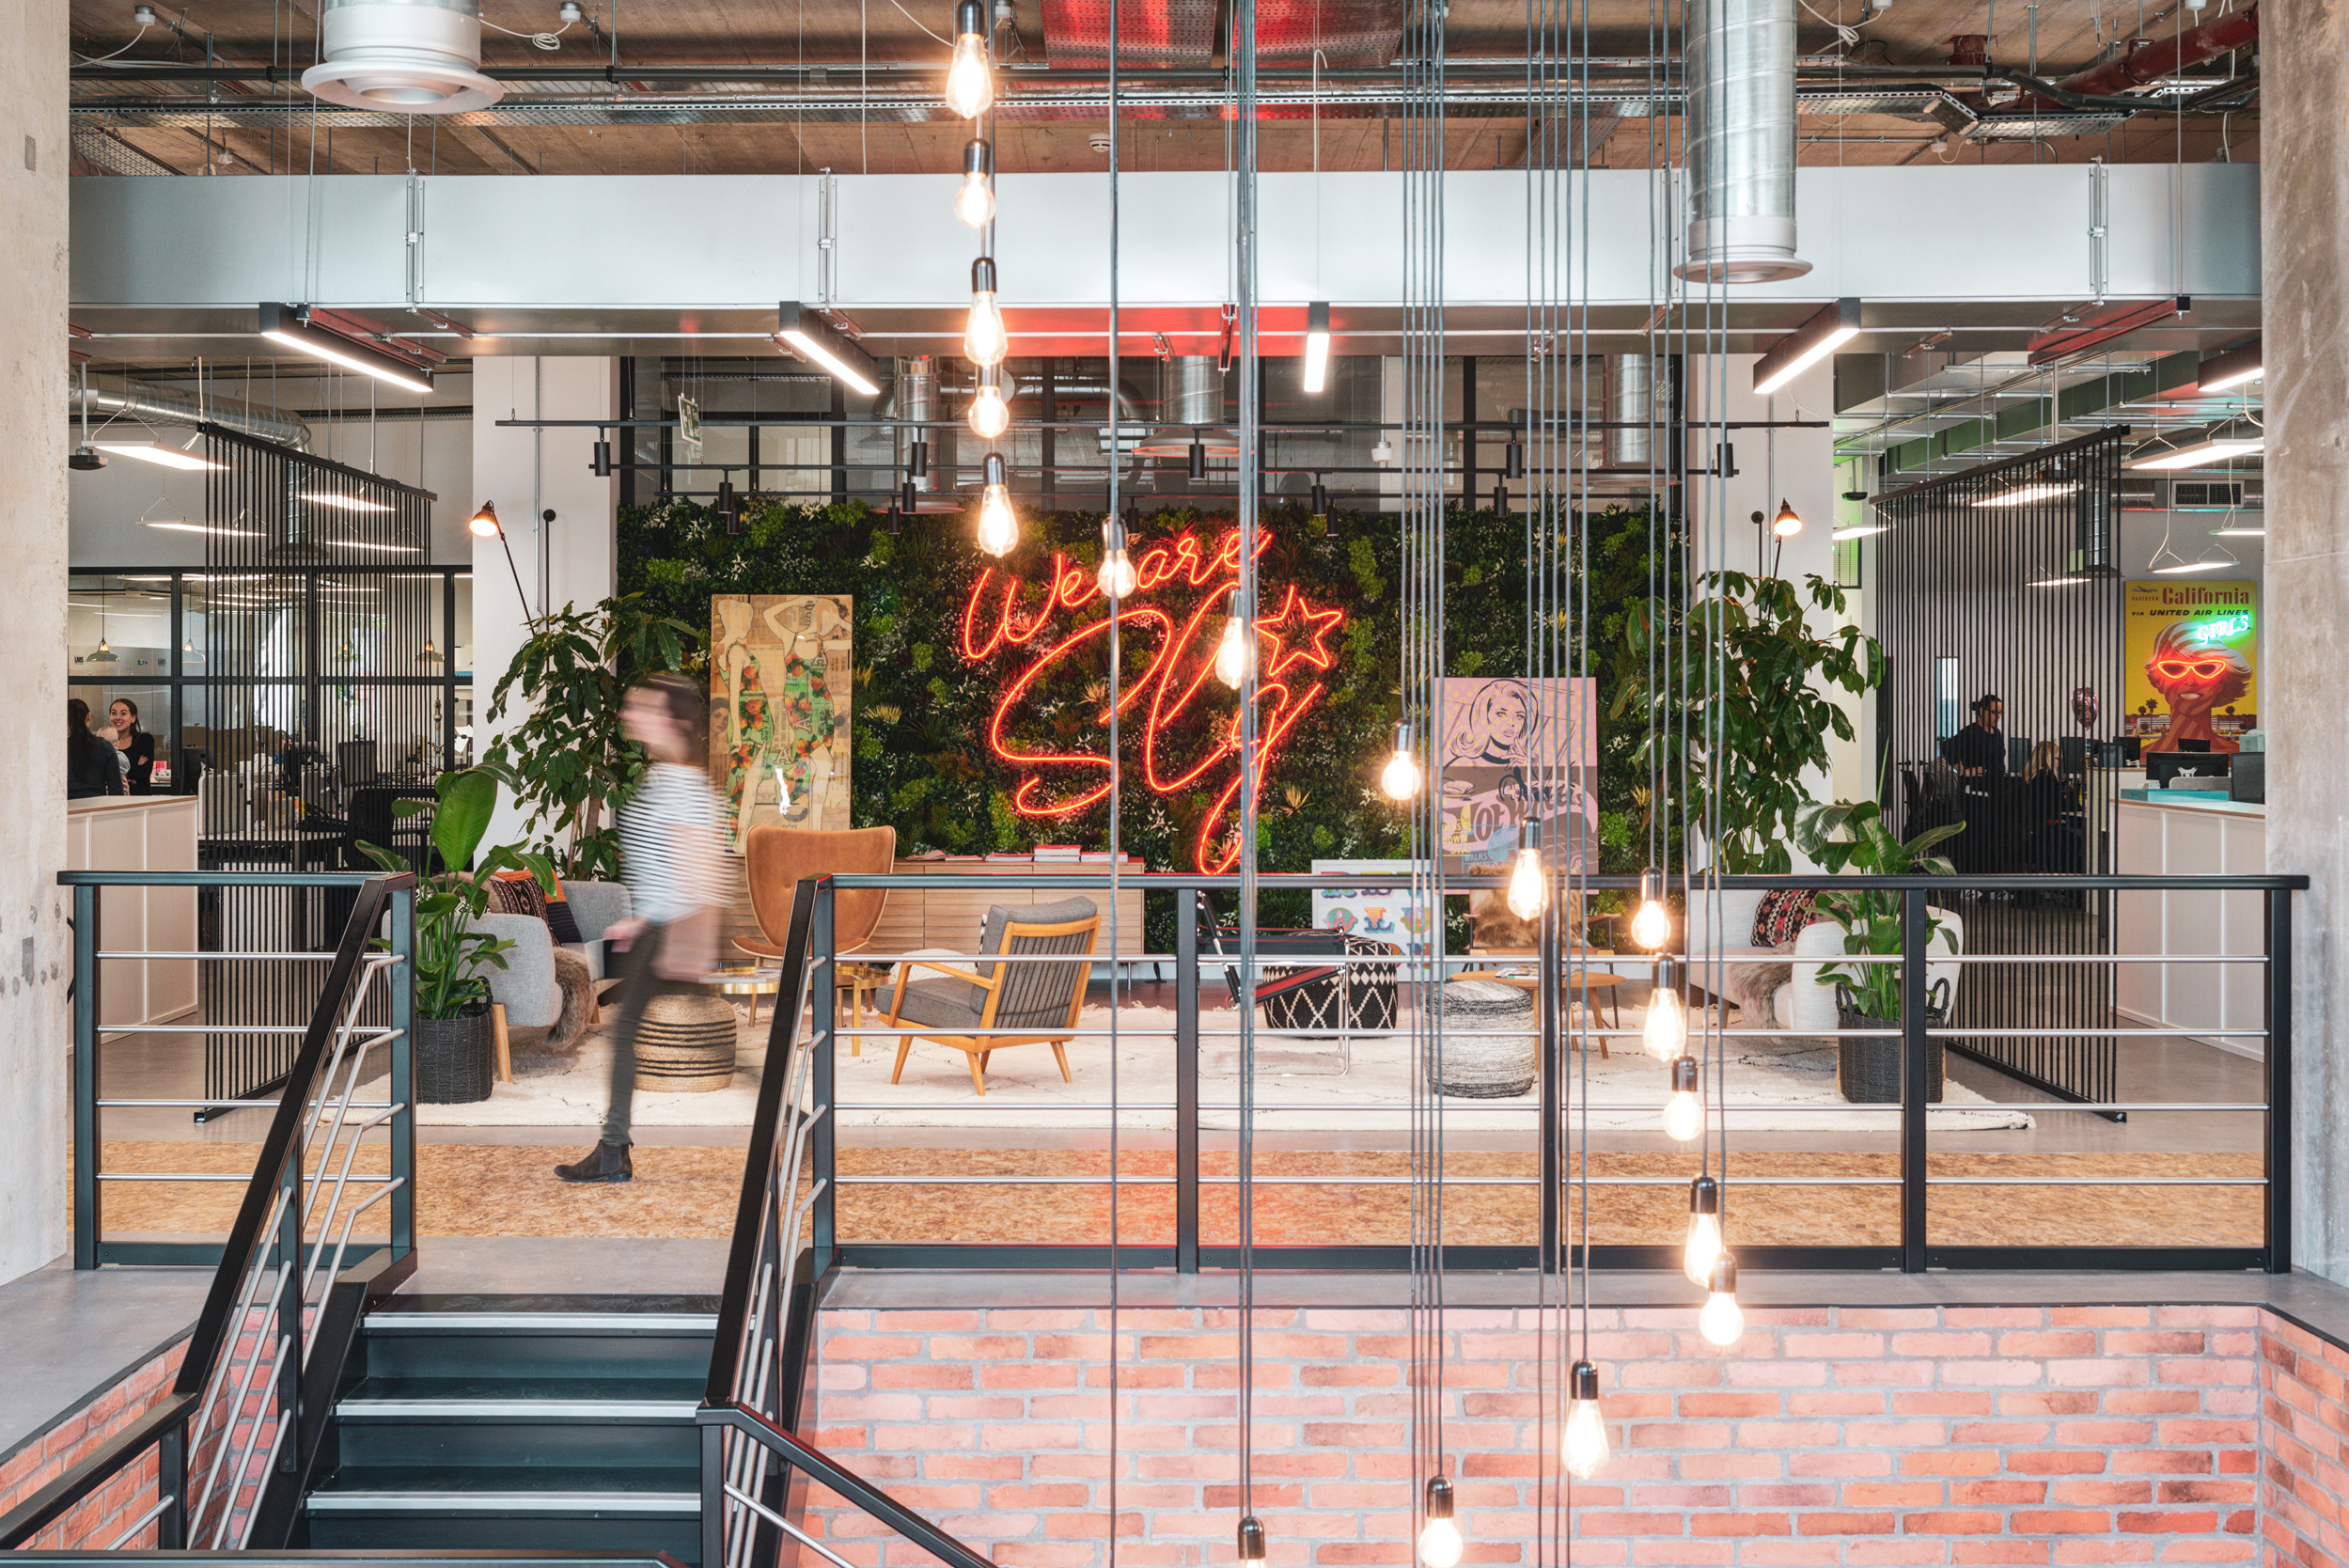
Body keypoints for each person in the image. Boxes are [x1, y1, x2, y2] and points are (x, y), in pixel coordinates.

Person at [556, 673, 726, 1185]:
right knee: (631, 1034)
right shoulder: (665, 775)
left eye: (642, 706)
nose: (631, 713)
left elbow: (701, 868)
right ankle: (613, 1151)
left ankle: (613, 1152)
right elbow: (662, 865)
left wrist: (689, 941)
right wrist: (638, 917)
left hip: (677, 930)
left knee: (661, 1039)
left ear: (671, 719)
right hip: (659, 926)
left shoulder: (684, 784)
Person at [1945, 694, 2008, 877]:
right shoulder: (1971, 732)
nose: (1997, 716)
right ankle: (1968, 882)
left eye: (2000, 713)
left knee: (1992, 838)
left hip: (1994, 792)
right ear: (1981, 711)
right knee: (1975, 838)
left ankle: (1989, 881)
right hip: (1974, 794)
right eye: (1994, 712)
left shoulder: (1997, 733)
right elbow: (1948, 748)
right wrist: (1965, 771)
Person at [66, 698, 126, 800]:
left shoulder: (56, 749)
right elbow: (116, 791)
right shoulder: (105, 747)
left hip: (65, 808)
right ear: (88, 716)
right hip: (96, 807)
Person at [108, 699, 157, 794]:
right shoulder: (104, 741)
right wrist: (134, 767)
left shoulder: (145, 740)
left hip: (139, 798)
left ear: (133, 718)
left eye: (123, 713)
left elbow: (143, 773)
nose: (118, 717)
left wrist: (114, 774)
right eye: (114, 713)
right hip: (111, 799)